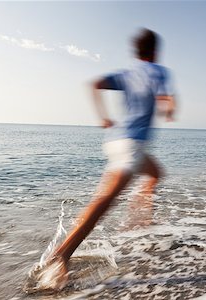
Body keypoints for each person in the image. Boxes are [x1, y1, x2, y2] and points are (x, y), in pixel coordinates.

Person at [44, 28, 176, 290]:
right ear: (155, 51)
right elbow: (166, 99)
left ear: (137, 51)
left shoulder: (127, 74)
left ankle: (140, 217)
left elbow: (95, 84)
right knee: (103, 203)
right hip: (131, 147)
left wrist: (103, 116)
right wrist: (169, 106)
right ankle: (61, 255)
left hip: (116, 141)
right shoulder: (158, 71)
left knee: (155, 173)